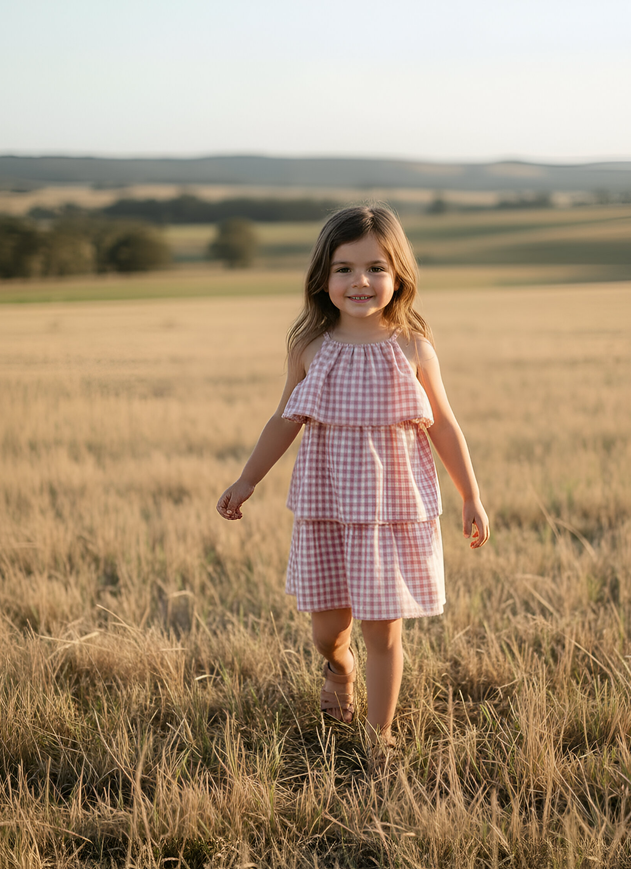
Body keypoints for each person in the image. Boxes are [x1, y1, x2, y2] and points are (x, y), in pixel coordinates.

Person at [216, 205, 489, 750]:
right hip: (328, 510)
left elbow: (445, 426)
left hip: (391, 514)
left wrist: (471, 497)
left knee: (383, 631)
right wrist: (247, 480)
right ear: (322, 276)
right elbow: (284, 418)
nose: (359, 281)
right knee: (329, 631)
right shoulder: (310, 349)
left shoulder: (413, 349)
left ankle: (379, 735)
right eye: (343, 268)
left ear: (399, 276)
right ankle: (338, 669)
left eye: (375, 268)